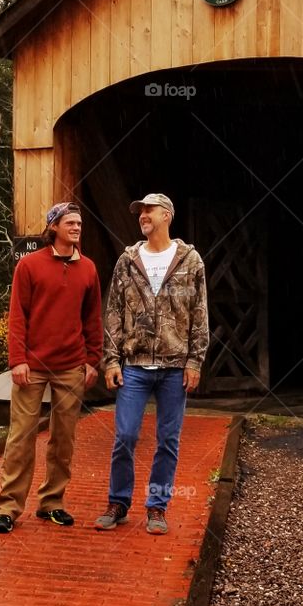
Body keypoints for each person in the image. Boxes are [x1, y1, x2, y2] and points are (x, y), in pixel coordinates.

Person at [94, 193, 209, 535]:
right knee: (125, 435)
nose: (143, 215)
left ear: (166, 215)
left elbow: (200, 314)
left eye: (149, 210)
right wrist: (111, 360)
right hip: (134, 364)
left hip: (175, 368)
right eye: (139, 211)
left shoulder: (191, 260)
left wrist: (196, 361)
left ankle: (157, 508)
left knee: (168, 440)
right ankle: (118, 503)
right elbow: (113, 313)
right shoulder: (127, 260)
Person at [0, 202, 102, 533]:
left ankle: (52, 502)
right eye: (70, 222)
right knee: (21, 436)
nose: (77, 227)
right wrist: (18, 359)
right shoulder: (29, 266)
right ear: (53, 227)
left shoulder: (89, 269)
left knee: (63, 439)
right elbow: (17, 316)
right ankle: (8, 508)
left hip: (71, 366)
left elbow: (92, 318)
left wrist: (91, 359)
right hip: (33, 366)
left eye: (79, 223)